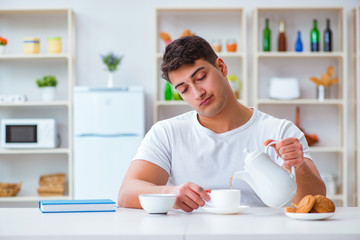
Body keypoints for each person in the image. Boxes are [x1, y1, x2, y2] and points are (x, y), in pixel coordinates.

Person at [118, 36, 326, 212]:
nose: (197, 93)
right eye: (184, 89)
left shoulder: (279, 131)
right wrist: (169, 192)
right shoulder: (167, 133)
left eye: (201, 77)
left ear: (221, 67)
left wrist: (299, 166)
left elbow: (315, 200)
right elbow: (126, 193)